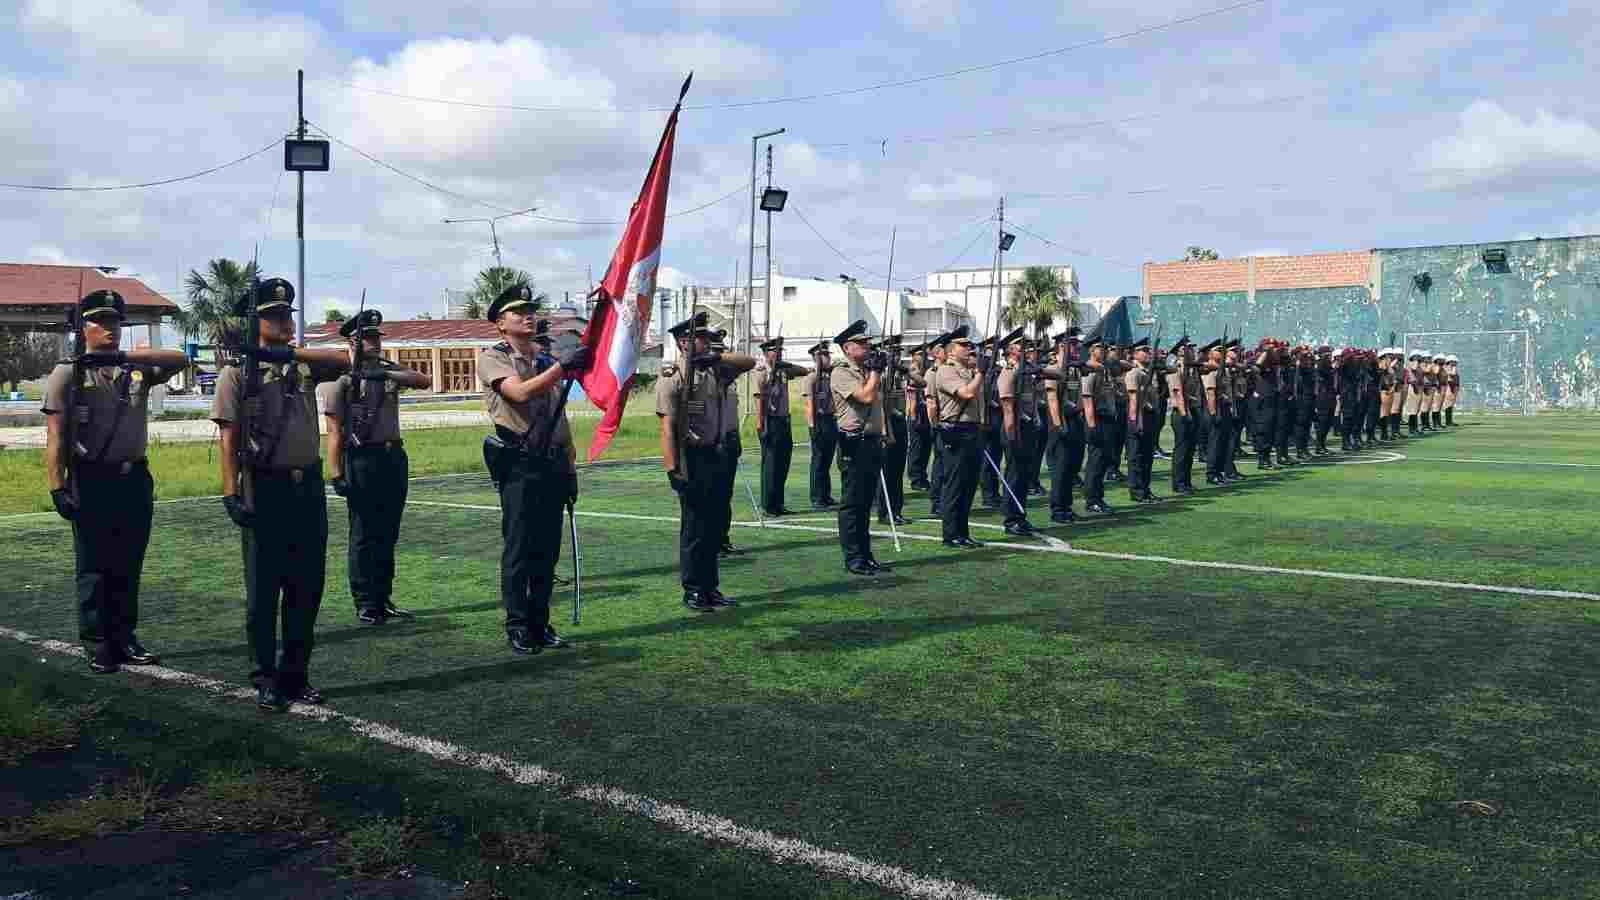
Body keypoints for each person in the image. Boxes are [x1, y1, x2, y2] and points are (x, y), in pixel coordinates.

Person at [211, 277, 351, 711]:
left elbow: (344, 360)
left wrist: (288, 353)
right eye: (273, 316)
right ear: (254, 323)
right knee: (264, 589)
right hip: (265, 486)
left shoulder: (302, 365)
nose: (284, 321)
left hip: (306, 487)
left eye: (286, 314)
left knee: (306, 587)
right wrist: (231, 493)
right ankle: (265, 677)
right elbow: (228, 441)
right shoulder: (237, 374)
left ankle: (295, 674)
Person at [43, 289, 188, 674]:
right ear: (83, 327)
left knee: (129, 562)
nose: (110, 329)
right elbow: (55, 436)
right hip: (92, 478)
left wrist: (125, 357)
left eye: (115, 322)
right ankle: (97, 641)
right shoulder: (69, 373)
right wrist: (57, 486)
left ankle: (125, 636)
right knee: (94, 565)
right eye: (100, 321)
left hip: (134, 478)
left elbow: (179, 359)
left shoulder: (133, 369)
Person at [478, 286, 589, 654]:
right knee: (520, 548)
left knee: (547, 550)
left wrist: (570, 468)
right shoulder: (493, 358)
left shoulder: (543, 360)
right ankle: (518, 624)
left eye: (530, 310)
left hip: (552, 462)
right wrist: (562, 367)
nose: (527, 316)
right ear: (500, 323)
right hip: (520, 463)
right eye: (518, 312)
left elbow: (560, 421)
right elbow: (520, 393)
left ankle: (540, 622)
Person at [318, 310, 431, 626]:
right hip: (362, 458)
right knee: (364, 534)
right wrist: (337, 473)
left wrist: (385, 375)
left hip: (393, 458)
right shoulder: (340, 379)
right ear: (352, 342)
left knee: (388, 531)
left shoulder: (388, 369)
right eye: (368, 338)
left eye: (377, 337)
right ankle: (366, 601)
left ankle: (383, 597)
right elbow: (334, 431)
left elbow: (423, 381)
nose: (376, 342)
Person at [656, 312, 755, 611]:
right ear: (684, 343)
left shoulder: (715, 370)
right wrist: (672, 468)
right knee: (695, 529)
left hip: (717, 456)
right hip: (692, 458)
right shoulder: (673, 376)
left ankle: (711, 587)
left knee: (713, 527)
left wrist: (717, 357)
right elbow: (667, 427)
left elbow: (749, 362)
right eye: (700, 338)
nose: (707, 342)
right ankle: (694, 590)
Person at [830, 320, 890, 575]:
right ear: (847, 348)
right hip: (854, 442)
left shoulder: (866, 371)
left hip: (872, 441)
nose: (868, 347)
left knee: (866, 503)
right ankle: (854, 558)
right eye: (862, 344)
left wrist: (885, 433)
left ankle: (866, 555)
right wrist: (875, 372)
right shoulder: (841, 373)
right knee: (853, 503)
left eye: (868, 343)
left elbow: (878, 404)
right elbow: (865, 397)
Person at [935, 326, 983, 547]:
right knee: (955, 485)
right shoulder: (946, 371)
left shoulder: (968, 371)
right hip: (956, 431)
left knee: (969, 485)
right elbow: (967, 393)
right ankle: (951, 534)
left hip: (972, 430)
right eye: (963, 345)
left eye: (968, 344)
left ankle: (962, 532)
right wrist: (980, 373)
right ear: (951, 351)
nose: (968, 348)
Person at [752, 337, 807, 517]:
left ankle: (778, 502)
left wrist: (784, 365)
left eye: (781, 351)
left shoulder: (783, 371)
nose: (779, 354)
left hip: (784, 421)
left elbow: (803, 371)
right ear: (766, 353)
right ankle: (768, 505)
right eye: (775, 351)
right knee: (771, 464)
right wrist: (760, 424)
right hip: (770, 421)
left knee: (783, 463)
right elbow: (759, 400)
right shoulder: (762, 373)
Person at [996, 333, 1039, 535]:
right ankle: (1011, 519)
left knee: (1023, 475)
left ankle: (1020, 516)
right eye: (1021, 347)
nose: (1026, 350)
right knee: (1014, 475)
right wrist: (1012, 435)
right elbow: (1007, 408)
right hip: (1014, 429)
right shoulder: (1009, 372)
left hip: (1026, 427)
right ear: (1011, 351)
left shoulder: (1025, 372)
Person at [1041, 331, 1084, 523]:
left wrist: (1079, 411)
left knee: (1072, 468)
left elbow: (1079, 395)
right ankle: (1058, 509)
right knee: (1060, 469)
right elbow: (1052, 400)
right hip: (1059, 422)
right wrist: (1058, 426)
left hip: (1074, 420)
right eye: (1073, 344)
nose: (1077, 348)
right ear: (1061, 346)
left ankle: (1067, 506)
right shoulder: (1053, 369)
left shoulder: (1073, 370)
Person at [874, 335, 917, 526]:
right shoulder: (882, 376)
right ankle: (885, 512)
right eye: (893, 353)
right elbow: (881, 407)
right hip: (887, 423)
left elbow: (921, 382)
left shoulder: (900, 375)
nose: (897, 356)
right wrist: (886, 432)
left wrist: (905, 370)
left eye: (898, 353)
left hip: (900, 423)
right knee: (888, 472)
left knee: (898, 472)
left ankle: (897, 510)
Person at [1079, 337, 1117, 513]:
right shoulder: (1090, 371)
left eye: (1105, 348)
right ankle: (1092, 499)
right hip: (1097, 420)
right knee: (1096, 461)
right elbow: (1087, 400)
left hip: (1107, 419)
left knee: (1103, 461)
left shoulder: (1104, 370)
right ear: (1091, 350)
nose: (1104, 351)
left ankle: (1098, 497)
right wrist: (1092, 426)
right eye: (1099, 348)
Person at [800, 340, 838, 509]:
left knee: (827, 459)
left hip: (830, 419)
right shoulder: (811, 378)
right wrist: (812, 427)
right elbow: (809, 405)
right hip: (819, 420)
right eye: (824, 355)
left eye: (828, 354)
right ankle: (817, 497)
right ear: (816, 358)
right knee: (819, 460)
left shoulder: (830, 376)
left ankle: (825, 495)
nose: (828, 358)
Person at [1122, 337, 1161, 501]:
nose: (1148, 353)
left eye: (1148, 350)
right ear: (1134, 354)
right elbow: (1133, 399)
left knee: (1147, 456)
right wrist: (1134, 422)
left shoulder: (1148, 372)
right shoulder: (1134, 373)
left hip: (1150, 416)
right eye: (1144, 351)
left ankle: (1145, 489)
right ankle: (1137, 491)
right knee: (1136, 456)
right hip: (1138, 416)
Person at [1166, 337, 1199, 495]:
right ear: (1180, 352)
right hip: (1181, 413)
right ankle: (1179, 483)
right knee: (1182, 449)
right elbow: (1178, 393)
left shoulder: (1191, 369)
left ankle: (1186, 481)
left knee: (1190, 449)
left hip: (1191, 410)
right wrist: (1185, 414)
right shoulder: (1175, 369)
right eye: (1188, 348)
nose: (1192, 351)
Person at [924, 336, 951, 517]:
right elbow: (931, 403)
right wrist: (935, 425)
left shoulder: (948, 370)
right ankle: (937, 502)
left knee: (949, 465)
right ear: (936, 353)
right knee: (941, 465)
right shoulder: (932, 373)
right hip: (940, 424)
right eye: (943, 349)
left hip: (950, 424)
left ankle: (945, 500)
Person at [906, 344, 934, 491]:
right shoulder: (913, 370)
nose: (924, 358)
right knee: (917, 448)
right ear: (914, 356)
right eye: (920, 355)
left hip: (924, 411)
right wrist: (913, 417)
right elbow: (913, 392)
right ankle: (916, 479)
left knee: (925, 447)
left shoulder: (926, 369)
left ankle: (922, 477)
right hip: (915, 413)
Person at [1313, 345, 1337, 453]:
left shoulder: (1328, 365)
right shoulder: (1320, 365)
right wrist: (1334, 368)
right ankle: (1319, 445)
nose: (1330, 356)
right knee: (1323, 421)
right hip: (1323, 396)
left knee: (1328, 421)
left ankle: (1322, 444)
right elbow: (1323, 375)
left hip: (1330, 395)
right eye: (1327, 354)